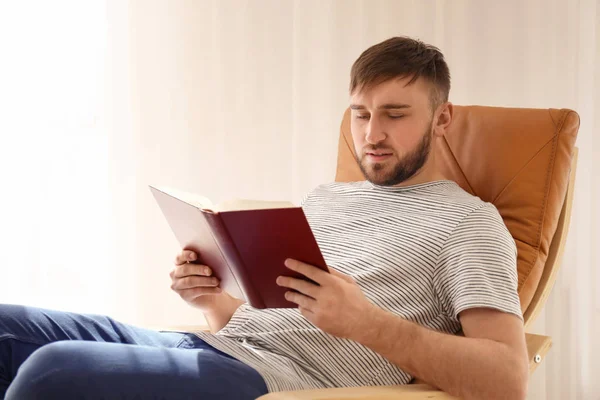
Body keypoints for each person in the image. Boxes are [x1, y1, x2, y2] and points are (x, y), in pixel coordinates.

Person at [0, 36, 529, 400]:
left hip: (270, 381)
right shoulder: (326, 198)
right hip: (215, 348)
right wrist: (210, 298)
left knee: (52, 372)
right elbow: (263, 325)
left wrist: (367, 324)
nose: (371, 135)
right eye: (361, 114)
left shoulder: (470, 224)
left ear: (443, 118)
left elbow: (509, 379)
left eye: (395, 114)